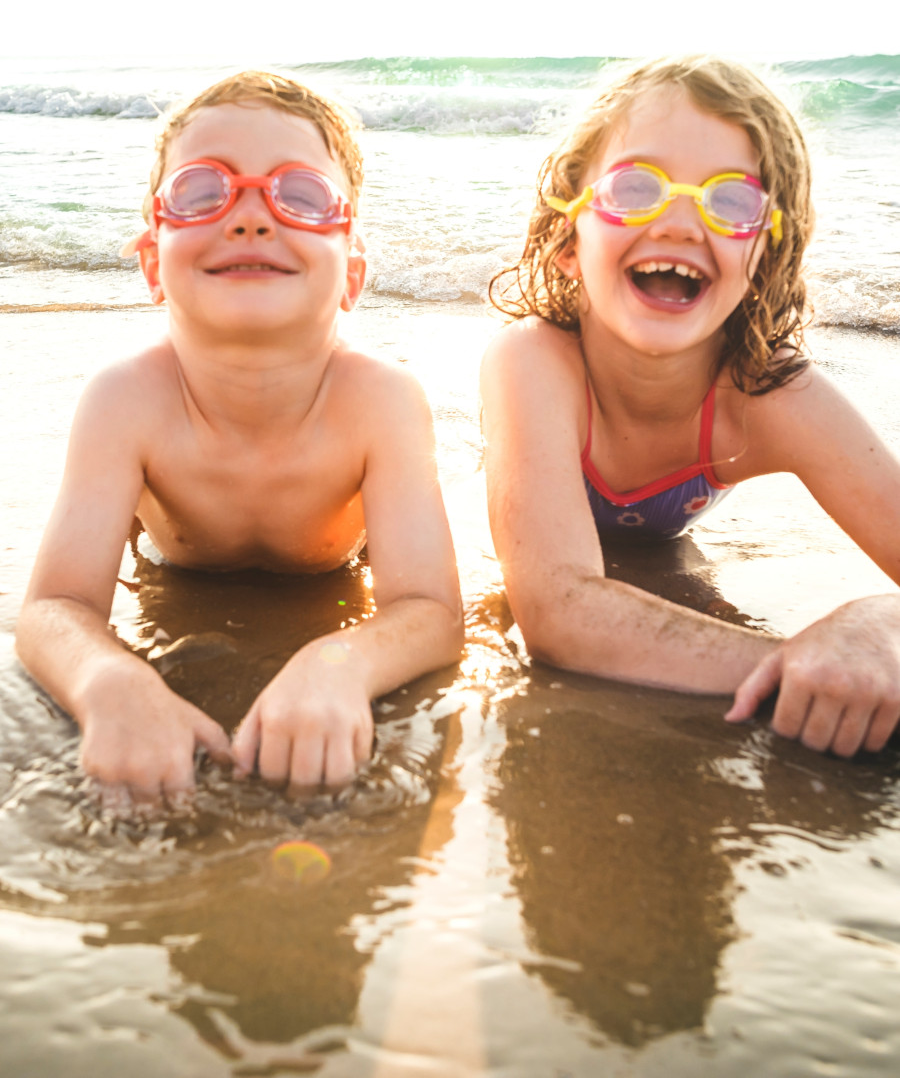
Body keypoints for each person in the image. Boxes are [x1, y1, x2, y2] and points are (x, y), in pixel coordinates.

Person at [16, 71, 463, 808]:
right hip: (177, 587)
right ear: (153, 261)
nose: (252, 218)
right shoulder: (126, 401)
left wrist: (341, 663)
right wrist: (110, 680)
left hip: (328, 587)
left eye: (301, 195)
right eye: (202, 191)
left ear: (352, 272)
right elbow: (54, 607)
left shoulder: (380, 402)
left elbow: (432, 611)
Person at [481, 55, 900, 757]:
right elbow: (557, 610)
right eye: (636, 189)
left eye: (731, 201)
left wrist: (878, 624)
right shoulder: (534, 361)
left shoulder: (770, 396)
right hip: (548, 530)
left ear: (765, 257)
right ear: (566, 239)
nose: (678, 223)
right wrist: (799, 663)